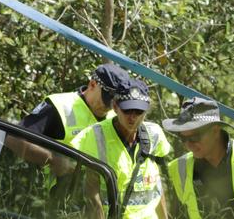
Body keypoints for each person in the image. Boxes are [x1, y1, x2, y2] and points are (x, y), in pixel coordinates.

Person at [70, 79, 172, 219]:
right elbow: (91, 190)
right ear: (115, 107)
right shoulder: (94, 135)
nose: (132, 117)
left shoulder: (155, 134)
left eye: (138, 111)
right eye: (127, 110)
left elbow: (156, 186)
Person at [19, 63, 132, 145]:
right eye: (108, 98)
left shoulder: (116, 118)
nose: (110, 106)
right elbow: (16, 139)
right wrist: (53, 159)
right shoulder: (60, 106)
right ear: (92, 84)